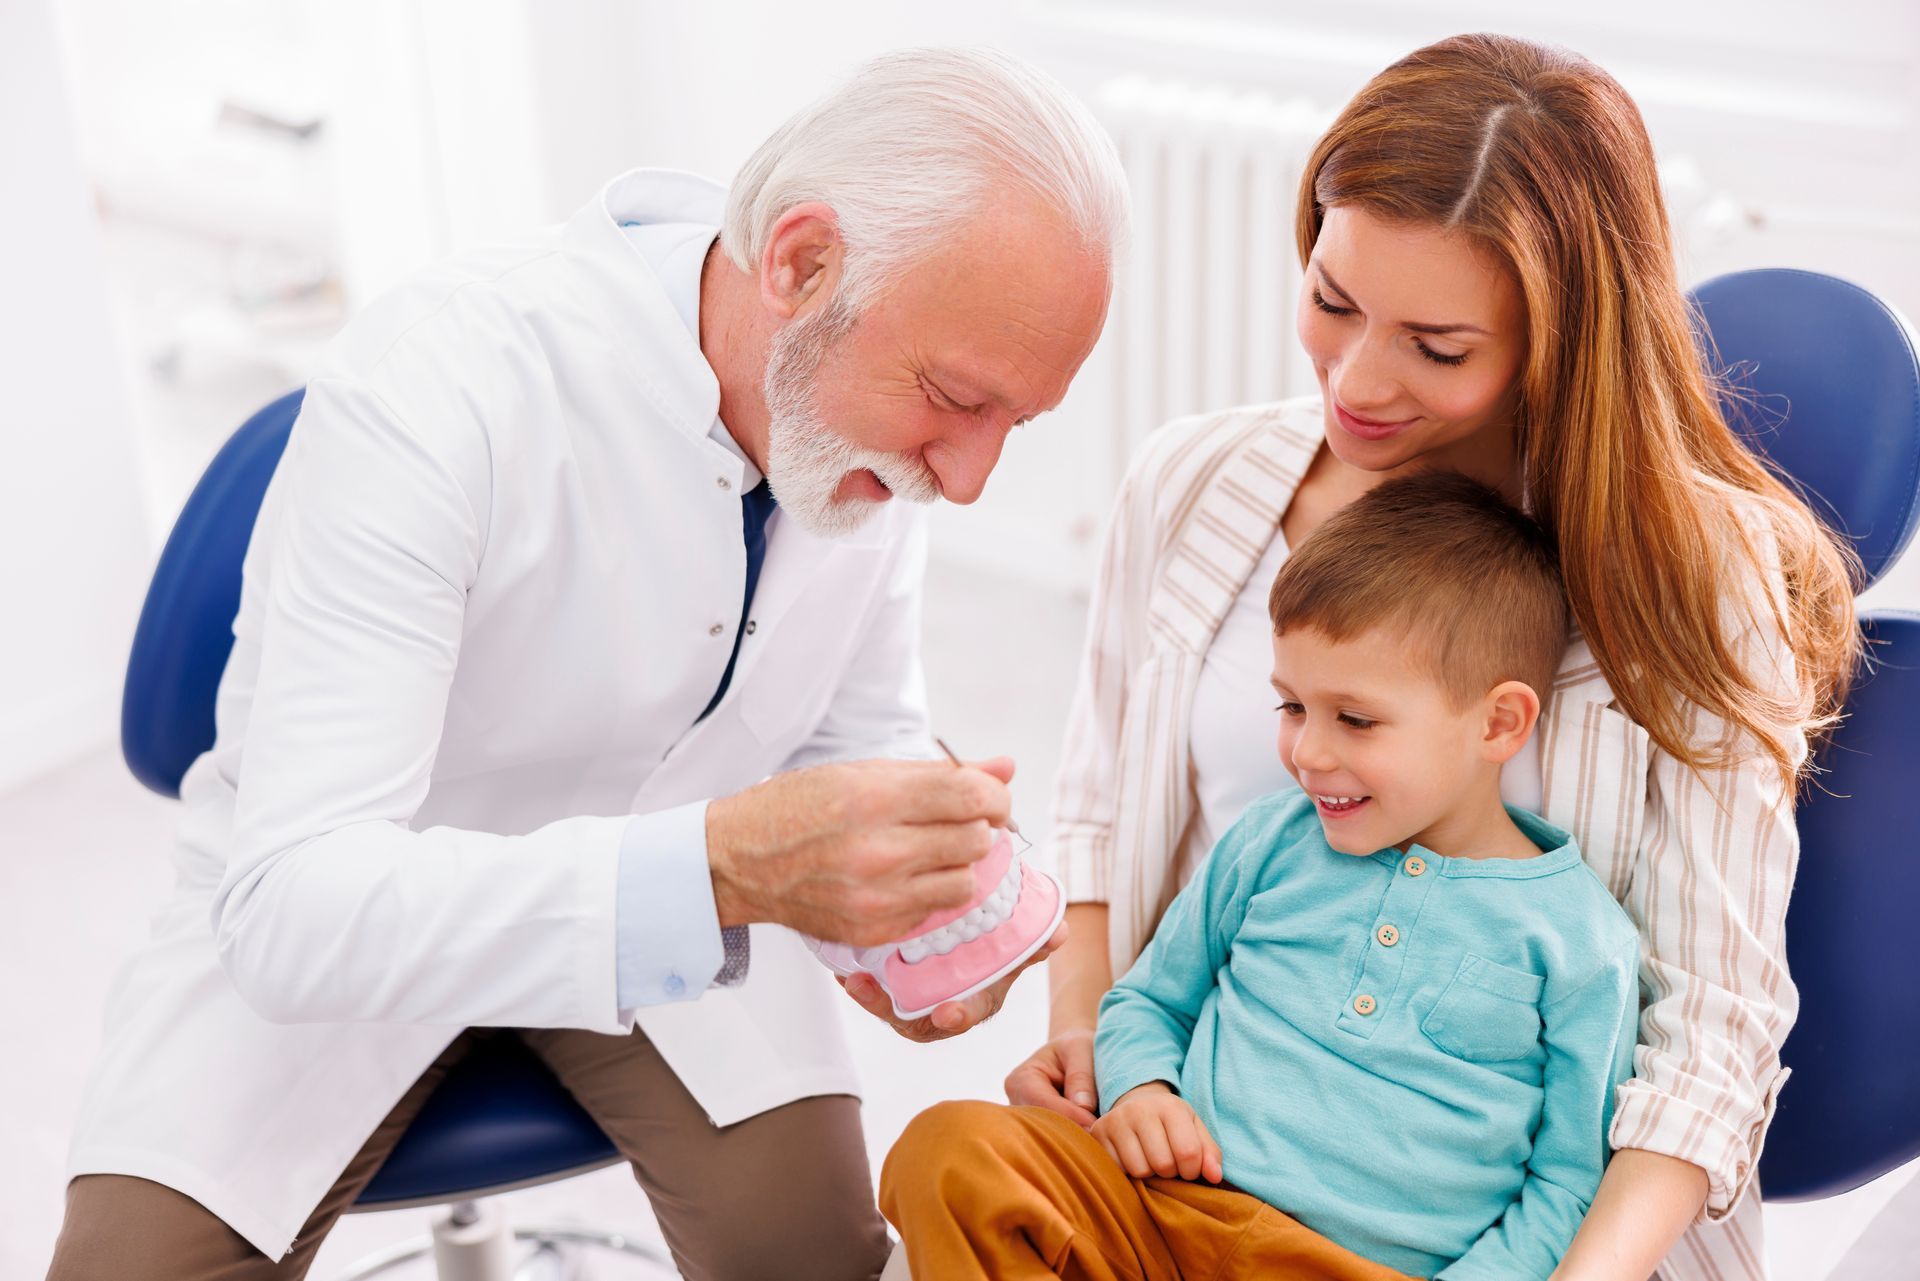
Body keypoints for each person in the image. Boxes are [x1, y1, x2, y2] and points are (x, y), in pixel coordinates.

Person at [48, 48, 1127, 1281]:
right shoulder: (436, 388)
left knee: (815, 1259)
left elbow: (853, 717)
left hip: (686, 911)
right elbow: (296, 908)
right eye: (956, 398)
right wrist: (724, 866)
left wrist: (902, 903)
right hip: (345, 913)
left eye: (1013, 422)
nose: (970, 480)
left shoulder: (868, 428)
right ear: (800, 262)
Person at [1003, 32, 1859, 1281]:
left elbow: (1712, 1033)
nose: (1355, 380)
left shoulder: (1704, 577)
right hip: (1199, 1184)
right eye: (1332, 301)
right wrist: (1090, 1043)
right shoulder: (1190, 486)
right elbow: (1094, 819)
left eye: (1437, 347)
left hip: (1519, 1242)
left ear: (1561, 342)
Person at [885, 472, 1643, 1279]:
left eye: (1354, 719)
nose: (1309, 753)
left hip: (1353, 1267)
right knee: (950, 1150)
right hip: (1158, 1214)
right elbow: (1149, 999)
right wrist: (1142, 1088)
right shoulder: (1272, 840)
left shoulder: (1581, 940)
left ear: (1499, 722)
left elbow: (1567, 1183)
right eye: (1291, 707)